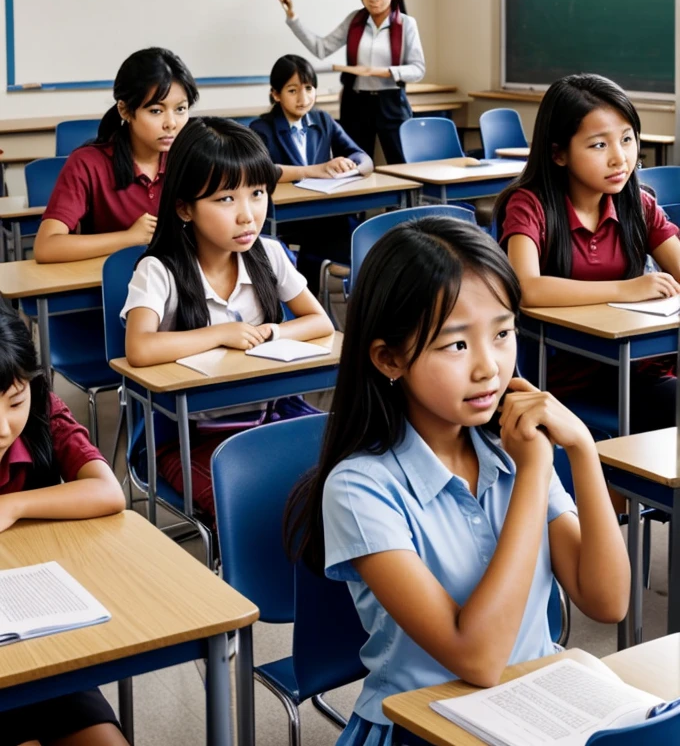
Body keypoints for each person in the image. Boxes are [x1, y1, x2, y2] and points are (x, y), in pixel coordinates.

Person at [284, 216, 628, 745]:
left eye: (503, 333)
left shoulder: (509, 449)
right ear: (389, 358)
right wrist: (535, 472)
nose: (489, 367)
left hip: (538, 705)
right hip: (422, 727)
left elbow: (607, 603)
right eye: (456, 345)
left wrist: (582, 451)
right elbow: (479, 659)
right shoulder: (359, 489)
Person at [122, 117, 334, 518]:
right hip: (190, 437)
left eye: (256, 193)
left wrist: (271, 331)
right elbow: (139, 347)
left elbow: (320, 322)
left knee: (351, 470)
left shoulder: (268, 255)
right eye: (225, 199)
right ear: (185, 208)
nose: (247, 215)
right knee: (254, 506)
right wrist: (220, 334)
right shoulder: (159, 270)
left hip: (272, 418)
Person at [495, 73, 680, 433]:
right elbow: (526, 287)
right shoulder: (530, 206)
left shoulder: (638, 204)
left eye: (627, 140)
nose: (619, 158)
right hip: (565, 381)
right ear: (558, 153)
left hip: (640, 370)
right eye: (599, 145)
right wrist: (625, 289)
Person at [0, 303, 127, 746]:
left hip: (45, 644)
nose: (2, 427)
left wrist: (13, 506)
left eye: (14, 401)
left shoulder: (41, 415)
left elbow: (109, 492)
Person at [34, 47, 198, 263]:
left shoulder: (193, 158)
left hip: (182, 281)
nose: (171, 123)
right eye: (156, 111)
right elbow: (46, 247)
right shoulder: (88, 164)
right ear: (125, 110)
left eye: (180, 109)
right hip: (111, 287)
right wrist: (129, 237)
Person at [277, 0, 425, 164]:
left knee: (403, 165)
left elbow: (418, 69)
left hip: (391, 103)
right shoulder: (354, 20)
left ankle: (407, 198)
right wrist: (293, 18)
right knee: (352, 166)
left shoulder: (406, 24)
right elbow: (321, 48)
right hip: (356, 103)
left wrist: (381, 71)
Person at [250, 53, 373, 293]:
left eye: (308, 88)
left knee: (361, 233)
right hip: (289, 221)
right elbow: (262, 171)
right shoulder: (261, 128)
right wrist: (316, 170)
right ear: (276, 94)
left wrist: (352, 168)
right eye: (292, 90)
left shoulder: (322, 120)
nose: (303, 98)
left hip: (325, 214)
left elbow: (363, 158)